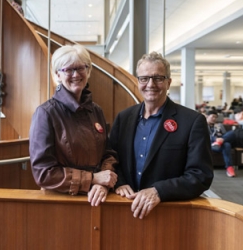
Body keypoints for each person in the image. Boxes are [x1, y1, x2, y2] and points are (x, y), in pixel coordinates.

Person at [109, 51, 213, 219]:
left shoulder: (192, 121)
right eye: (144, 78)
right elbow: (112, 158)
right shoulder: (124, 118)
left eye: (158, 78)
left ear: (168, 82)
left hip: (168, 212)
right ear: (138, 82)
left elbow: (200, 175)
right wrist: (120, 183)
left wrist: (159, 191)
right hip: (124, 208)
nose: (151, 84)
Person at [29, 44, 118, 207]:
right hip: (62, 201)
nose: (76, 74)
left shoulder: (96, 110)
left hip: (97, 197)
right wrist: (92, 178)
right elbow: (43, 173)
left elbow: (108, 154)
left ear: (88, 71)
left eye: (81, 68)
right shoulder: (45, 113)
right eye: (69, 70)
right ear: (58, 75)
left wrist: (103, 181)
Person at [206, 110, 236, 177]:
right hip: (210, 144)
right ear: (207, 116)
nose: (214, 119)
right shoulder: (202, 125)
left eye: (216, 117)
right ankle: (229, 167)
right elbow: (204, 136)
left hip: (220, 143)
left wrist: (221, 139)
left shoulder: (219, 125)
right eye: (213, 116)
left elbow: (225, 135)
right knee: (227, 145)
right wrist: (215, 139)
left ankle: (229, 168)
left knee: (232, 134)